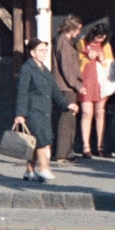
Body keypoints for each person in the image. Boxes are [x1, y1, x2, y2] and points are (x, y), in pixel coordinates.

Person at [13, 37, 77, 183]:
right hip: (32, 111)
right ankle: (44, 168)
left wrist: (66, 104)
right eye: (41, 50)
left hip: (45, 110)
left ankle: (29, 171)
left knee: (35, 142)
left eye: (45, 50)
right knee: (42, 140)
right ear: (32, 53)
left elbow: (54, 90)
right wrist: (20, 114)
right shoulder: (27, 69)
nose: (44, 53)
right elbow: (21, 92)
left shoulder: (44, 69)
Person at [51, 14, 84, 163]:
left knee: (67, 119)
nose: (79, 33)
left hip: (65, 86)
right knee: (67, 120)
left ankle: (64, 151)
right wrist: (77, 85)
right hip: (65, 87)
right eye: (78, 29)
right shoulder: (63, 42)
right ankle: (63, 154)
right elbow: (66, 67)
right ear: (72, 28)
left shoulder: (62, 41)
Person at [76, 23, 112, 158]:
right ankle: (86, 146)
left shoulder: (106, 46)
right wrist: (86, 58)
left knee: (100, 113)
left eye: (102, 38)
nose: (99, 40)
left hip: (101, 83)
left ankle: (100, 145)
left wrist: (103, 61)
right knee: (86, 113)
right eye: (98, 37)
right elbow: (76, 63)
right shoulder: (81, 43)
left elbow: (110, 65)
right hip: (85, 81)